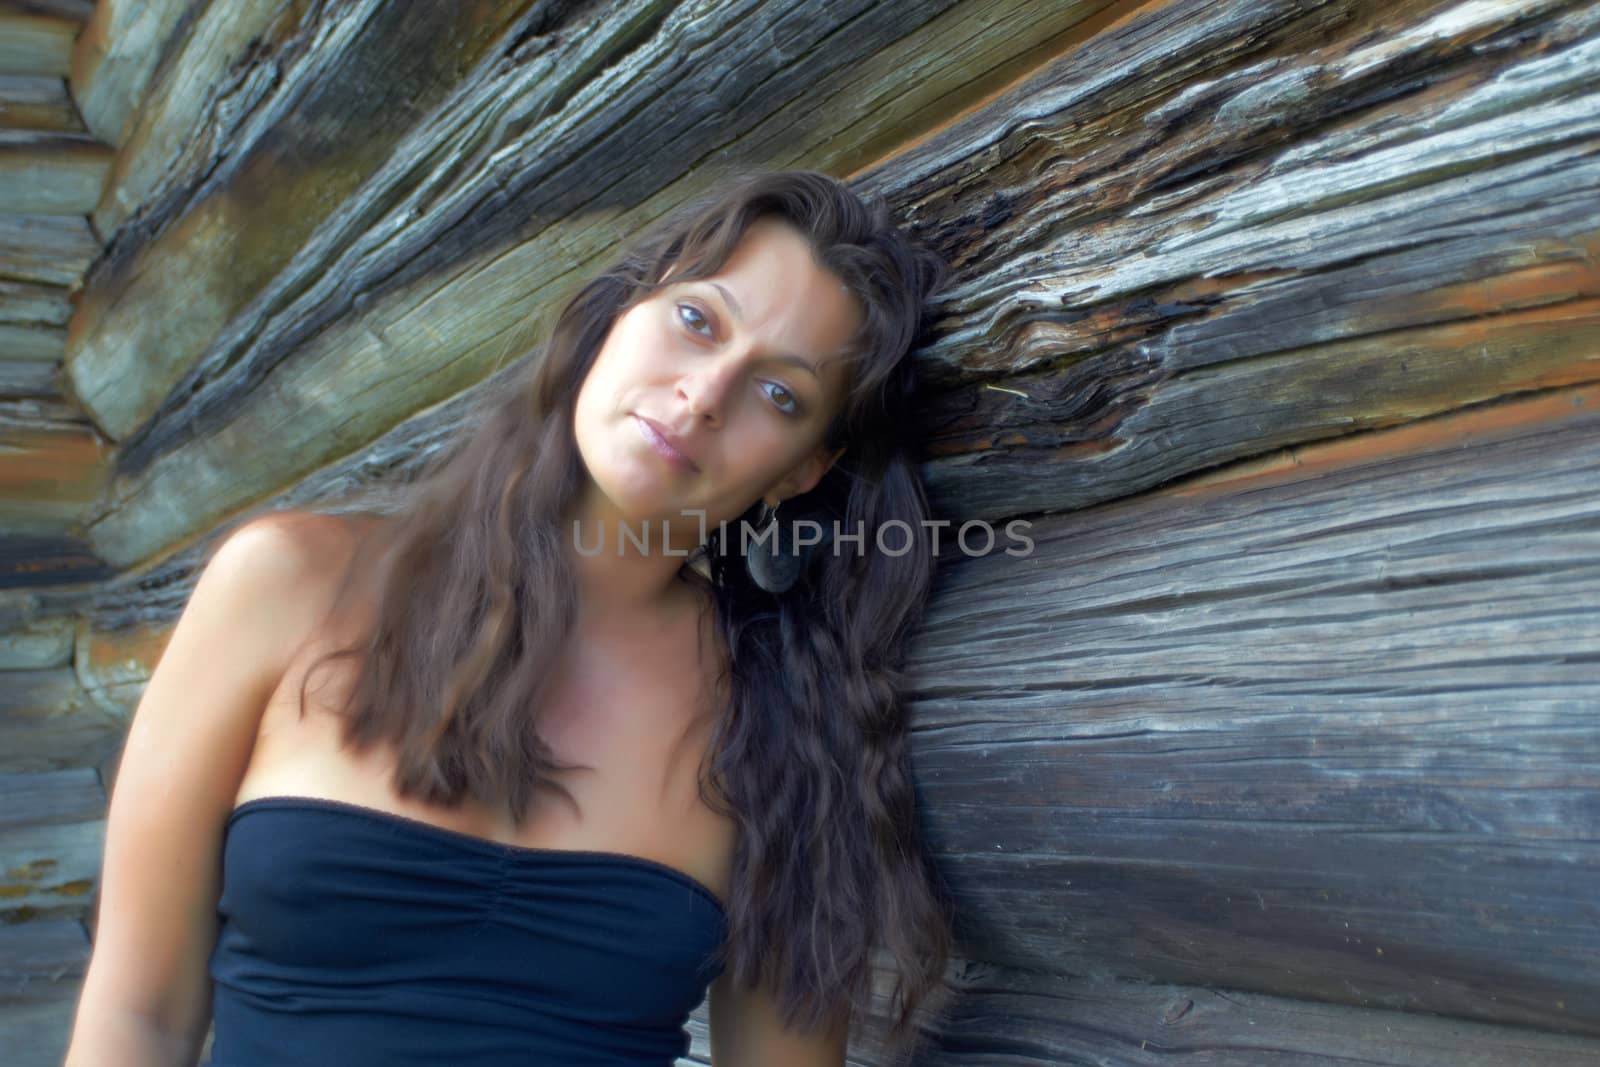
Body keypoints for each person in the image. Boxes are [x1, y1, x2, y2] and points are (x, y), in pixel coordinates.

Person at [63, 169, 957, 1066]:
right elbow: (139, 1014)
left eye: (780, 395)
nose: (704, 395)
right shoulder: (287, 584)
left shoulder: (781, 725)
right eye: (697, 320)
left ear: (802, 470)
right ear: (618, 312)